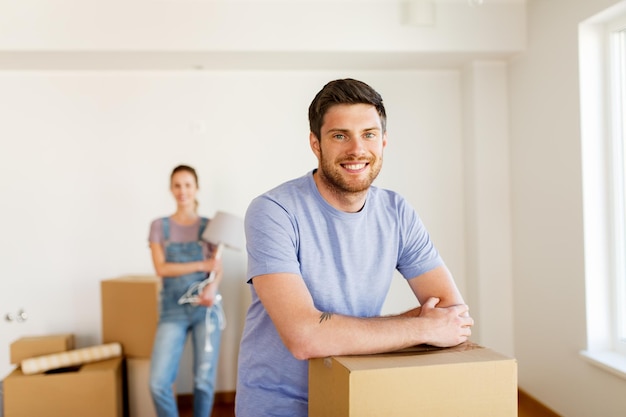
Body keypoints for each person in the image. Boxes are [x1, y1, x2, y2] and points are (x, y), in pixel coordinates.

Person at [235, 78, 474, 417]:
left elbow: (453, 313)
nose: (357, 149)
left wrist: (334, 329)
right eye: (339, 135)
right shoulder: (274, 211)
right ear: (315, 144)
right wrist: (422, 325)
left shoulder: (397, 212)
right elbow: (304, 337)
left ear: (384, 141)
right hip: (278, 404)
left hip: (357, 393)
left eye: (369, 134)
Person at [148, 164, 225, 417]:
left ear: (196, 188)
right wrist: (203, 264)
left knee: (204, 380)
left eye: (188, 185)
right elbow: (161, 268)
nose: (183, 191)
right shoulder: (159, 226)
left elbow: (217, 269)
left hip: (205, 309)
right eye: (177, 185)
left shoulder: (211, 226)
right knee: (158, 382)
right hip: (173, 309)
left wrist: (211, 288)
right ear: (171, 189)